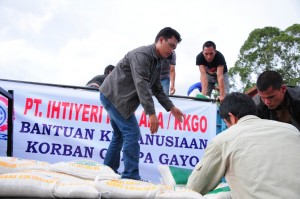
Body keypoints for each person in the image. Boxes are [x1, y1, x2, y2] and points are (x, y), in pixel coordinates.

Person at [99, 27, 184, 180]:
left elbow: (157, 88)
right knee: (132, 133)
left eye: (175, 48)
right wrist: (151, 113)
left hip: (119, 100)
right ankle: (130, 176)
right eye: (171, 45)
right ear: (160, 40)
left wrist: (171, 107)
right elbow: (141, 84)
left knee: (119, 135)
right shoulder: (142, 55)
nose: (172, 50)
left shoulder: (157, 62)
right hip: (113, 96)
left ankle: (107, 172)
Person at [186, 92, 300, 198]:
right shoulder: (292, 130)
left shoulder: (223, 139)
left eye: (226, 123)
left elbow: (194, 188)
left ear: (231, 117)